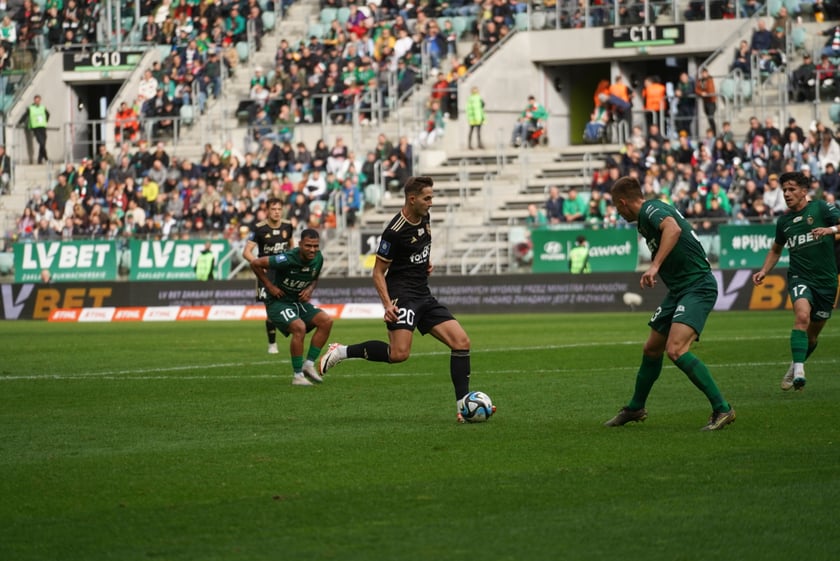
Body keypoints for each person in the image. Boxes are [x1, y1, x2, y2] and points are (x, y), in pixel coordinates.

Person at [318, 176, 483, 422]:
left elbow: (418, 249)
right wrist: (387, 304)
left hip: (423, 294)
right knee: (398, 354)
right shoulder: (394, 232)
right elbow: (377, 272)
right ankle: (341, 351)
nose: (431, 202)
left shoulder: (425, 216)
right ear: (412, 199)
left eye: (432, 197)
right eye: (427, 198)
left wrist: (424, 264)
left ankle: (463, 407)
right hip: (402, 296)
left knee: (461, 342)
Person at [604, 176, 736, 431]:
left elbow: (673, 229)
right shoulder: (643, 221)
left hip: (697, 285)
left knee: (676, 350)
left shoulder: (652, 209)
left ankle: (723, 408)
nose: (617, 212)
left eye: (616, 206)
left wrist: (654, 266)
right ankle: (636, 407)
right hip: (679, 290)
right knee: (652, 348)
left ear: (622, 202)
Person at [752, 171, 840, 391]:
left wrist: (830, 230)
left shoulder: (821, 208)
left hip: (827, 281)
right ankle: (800, 371)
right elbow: (776, 249)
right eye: (784, 190)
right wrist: (764, 270)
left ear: (804, 191)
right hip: (800, 277)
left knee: (811, 337)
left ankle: (795, 365)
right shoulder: (784, 221)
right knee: (802, 316)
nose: (787, 194)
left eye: (791, 189)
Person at [250, 228, 333, 387]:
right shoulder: (286, 259)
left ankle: (308, 365)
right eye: (308, 245)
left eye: (315, 246)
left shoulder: (318, 258)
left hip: (298, 302)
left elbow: (314, 277)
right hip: (278, 303)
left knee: (326, 321)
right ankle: (297, 375)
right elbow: (255, 264)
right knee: (299, 328)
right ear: (300, 244)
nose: (312, 250)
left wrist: (309, 289)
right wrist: (269, 286)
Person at [243, 197, 295, 355]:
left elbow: (292, 246)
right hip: (267, 274)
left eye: (279, 209)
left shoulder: (288, 226)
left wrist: (292, 261)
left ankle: (295, 331)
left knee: (290, 303)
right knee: (271, 309)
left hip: (283, 272)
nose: (277, 212)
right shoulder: (259, 228)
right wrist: (259, 264)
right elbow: (246, 252)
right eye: (273, 209)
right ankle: (272, 343)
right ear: (267, 211)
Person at [21, 94, 49, 164]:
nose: (37, 102)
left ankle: (40, 160)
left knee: (42, 144)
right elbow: (25, 115)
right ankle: (46, 157)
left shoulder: (43, 107)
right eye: (36, 100)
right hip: (35, 128)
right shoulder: (30, 108)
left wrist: (46, 121)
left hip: (43, 127)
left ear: (40, 100)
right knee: (41, 143)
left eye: (38, 100)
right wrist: (19, 122)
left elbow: (48, 114)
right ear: (34, 101)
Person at [466, 86, 485, 150]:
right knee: (471, 131)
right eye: (474, 90)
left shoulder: (479, 97)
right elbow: (469, 109)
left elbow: (481, 108)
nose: (475, 91)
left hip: (479, 117)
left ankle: (479, 144)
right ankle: (469, 145)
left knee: (479, 132)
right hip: (473, 118)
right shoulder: (470, 98)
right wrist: (470, 117)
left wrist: (482, 117)